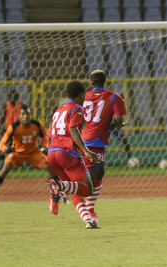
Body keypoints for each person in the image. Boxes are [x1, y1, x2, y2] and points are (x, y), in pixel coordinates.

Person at [46, 80, 100, 229]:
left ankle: (88, 220)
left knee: (74, 188)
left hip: (52, 154)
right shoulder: (76, 108)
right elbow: (72, 129)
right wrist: (86, 152)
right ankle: (56, 185)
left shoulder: (59, 109)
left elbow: (50, 133)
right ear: (81, 95)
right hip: (67, 154)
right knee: (87, 188)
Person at [0, 105, 56, 204]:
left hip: (33, 153)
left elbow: (44, 139)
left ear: (31, 115)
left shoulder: (37, 125)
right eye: (23, 114)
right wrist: (6, 149)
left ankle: (61, 193)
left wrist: (46, 147)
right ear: (19, 116)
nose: (26, 116)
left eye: (28, 114)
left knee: (49, 166)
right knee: (6, 167)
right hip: (17, 153)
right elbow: (1, 144)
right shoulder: (13, 127)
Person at [81, 70, 127, 225]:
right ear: (104, 81)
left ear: (91, 82)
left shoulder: (83, 96)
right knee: (92, 176)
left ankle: (89, 209)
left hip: (80, 138)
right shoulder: (114, 97)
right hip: (95, 141)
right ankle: (86, 211)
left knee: (98, 172)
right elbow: (118, 121)